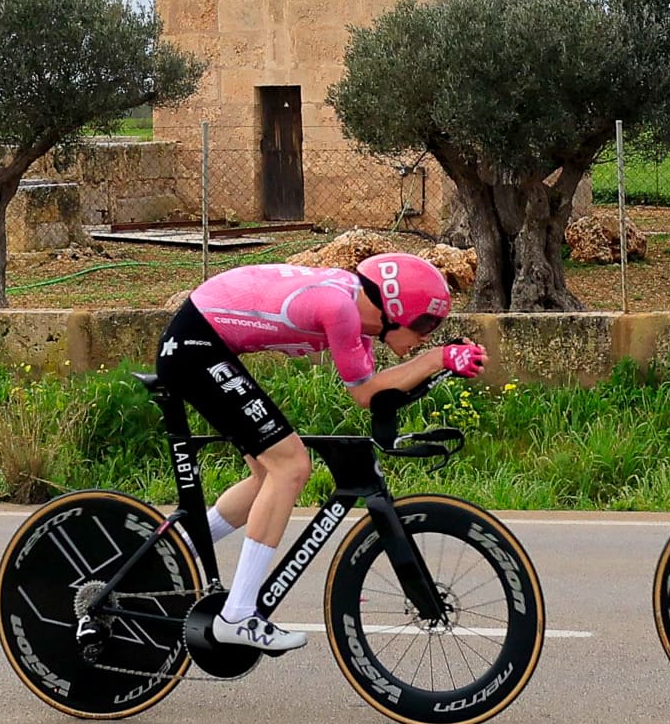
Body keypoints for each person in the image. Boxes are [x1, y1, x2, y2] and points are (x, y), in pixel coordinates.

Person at [152, 253, 486, 653]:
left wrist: (437, 362)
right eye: (426, 324)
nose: (428, 336)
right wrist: (435, 359)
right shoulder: (340, 308)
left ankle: (169, 553)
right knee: (290, 466)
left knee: (268, 476)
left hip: (203, 342)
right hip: (196, 346)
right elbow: (366, 393)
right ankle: (237, 615)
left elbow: (372, 392)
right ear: (394, 310)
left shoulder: (355, 313)